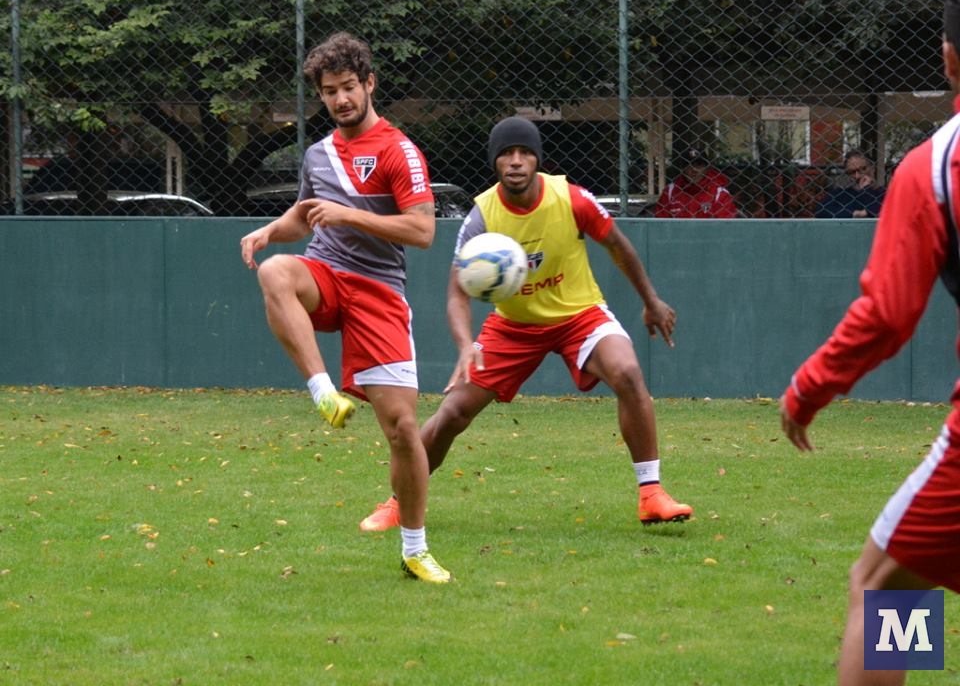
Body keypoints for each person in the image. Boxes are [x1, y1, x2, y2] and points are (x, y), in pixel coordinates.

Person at [360, 116, 693, 532]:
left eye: (524, 153)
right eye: (506, 154)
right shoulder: (482, 216)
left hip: (579, 314)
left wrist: (650, 301)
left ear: (537, 159)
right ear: (495, 162)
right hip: (513, 326)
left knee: (627, 371)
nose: (515, 161)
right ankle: (398, 502)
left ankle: (651, 494)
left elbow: (617, 245)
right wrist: (465, 345)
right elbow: (456, 295)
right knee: (452, 414)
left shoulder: (571, 199)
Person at [780, 0, 960, 684]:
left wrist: (809, 387)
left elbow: (887, 314)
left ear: (948, 57)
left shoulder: (936, 167)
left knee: (886, 586)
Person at [239, 32, 450, 584]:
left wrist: (350, 215)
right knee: (275, 271)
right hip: (328, 276)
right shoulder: (318, 154)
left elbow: (423, 231)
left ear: (370, 83)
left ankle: (414, 549)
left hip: (379, 292)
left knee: (403, 429)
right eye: (330, 91)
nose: (340, 99)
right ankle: (322, 392)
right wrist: (270, 231)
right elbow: (305, 215)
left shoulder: (399, 150)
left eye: (349, 87)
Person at [654, 148, 737, 218]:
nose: (694, 169)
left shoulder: (719, 194)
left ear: (707, 168)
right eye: (688, 164)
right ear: (682, 169)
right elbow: (660, 224)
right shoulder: (670, 192)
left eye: (699, 165)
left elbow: (726, 227)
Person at [816, 149, 885, 218]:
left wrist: (867, 189)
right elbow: (821, 211)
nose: (857, 176)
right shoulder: (839, 194)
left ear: (873, 168)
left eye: (863, 169)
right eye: (852, 172)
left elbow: (880, 212)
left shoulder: (883, 193)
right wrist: (856, 213)